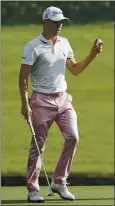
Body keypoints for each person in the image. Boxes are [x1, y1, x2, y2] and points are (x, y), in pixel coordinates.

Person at [19, 6, 103, 203]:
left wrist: (92, 54)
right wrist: (25, 104)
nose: (59, 26)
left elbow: (74, 69)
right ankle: (33, 188)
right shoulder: (32, 46)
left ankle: (59, 182)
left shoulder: (65, 43)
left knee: (73, 136)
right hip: (41, 100)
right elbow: (23, 78)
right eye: (56, 22)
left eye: (61, 22)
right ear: (45, 22)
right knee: (38, 145)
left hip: (63, 99)